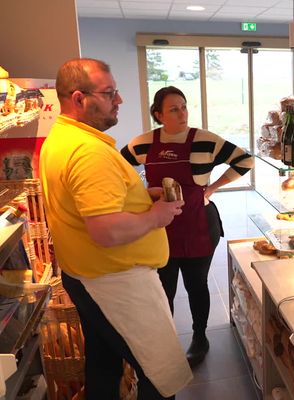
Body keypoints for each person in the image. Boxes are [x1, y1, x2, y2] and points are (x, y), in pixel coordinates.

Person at [39, 58, 193, 400]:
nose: (119, 100)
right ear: (79, 99)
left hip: (85, 275)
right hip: (116, 283)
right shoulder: (89, 152)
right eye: (109, 93)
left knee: (104, 364)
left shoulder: (60, 137)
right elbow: (106, 231)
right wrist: (157, 216)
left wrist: (140, 198)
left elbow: (89, 206)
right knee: (157, 371)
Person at [120, 86, 254, 368]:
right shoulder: (142, 143)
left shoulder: (205, 140)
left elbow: (245, 160)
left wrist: (213, 188)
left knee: (197, 285)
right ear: (158, 114)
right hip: (160, 227)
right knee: (163, 288)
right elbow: (117, 170)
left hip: (200, 225)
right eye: (173, 109)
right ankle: (166, 340)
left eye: (183, 106)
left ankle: (199, 337)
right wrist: (142, 194)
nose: (182, 113)